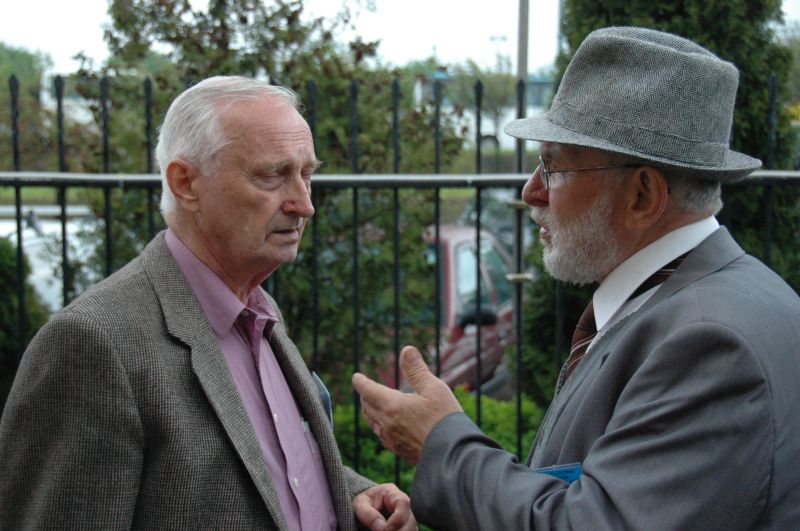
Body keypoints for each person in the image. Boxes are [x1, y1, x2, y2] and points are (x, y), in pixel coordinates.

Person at [352, 26, 800, 530]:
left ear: (642, 197)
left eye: (553, 167)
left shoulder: (708, 345)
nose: (531, 192)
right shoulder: (720, 297)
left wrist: (442, 443)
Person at [0, 76, 415, 531]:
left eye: (307, 175)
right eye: (273, 175)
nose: (304, 204)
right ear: (185, 183)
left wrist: (349, 494)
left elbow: (263, 476)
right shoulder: (93, 344)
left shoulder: (258, 311)